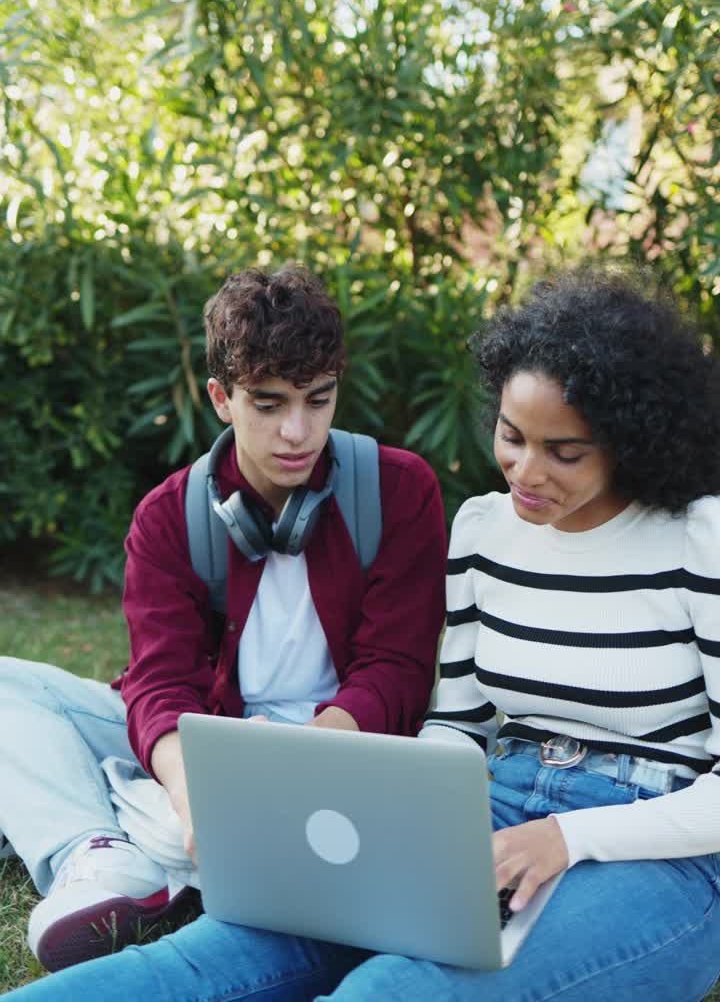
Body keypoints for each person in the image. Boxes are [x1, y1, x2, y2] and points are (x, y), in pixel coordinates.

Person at [7, 264, 720, 1002]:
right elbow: (459, 723)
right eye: (511, 437)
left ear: (631, 441)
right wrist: (404, 821)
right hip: (496, 804)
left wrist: (571, 840)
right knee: (210, 958)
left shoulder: (701, 541)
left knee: (394, 989)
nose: (524, 472)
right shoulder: (483, 530)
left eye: (563, 452)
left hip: (661, 843)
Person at [0, 264, 446, 974]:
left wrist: (293, 766)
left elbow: (397, 671)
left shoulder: (398, 490)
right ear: (220, 398)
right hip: (210, 747)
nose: (297, 432)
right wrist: (199, 792)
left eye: (318, 400)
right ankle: (98, 854)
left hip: (341, 752)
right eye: (267, 405)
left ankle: (158, 848)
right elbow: (159, 687)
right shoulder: (166, 517)